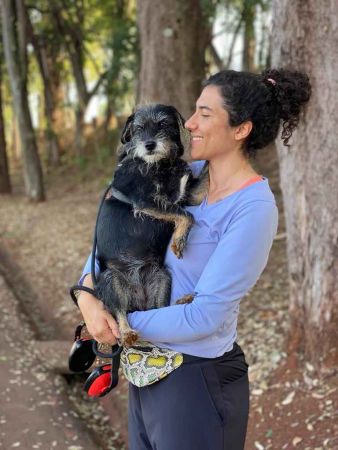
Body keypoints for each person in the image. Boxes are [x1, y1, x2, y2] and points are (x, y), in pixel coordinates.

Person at [77, 68, 311, 450]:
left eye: (205, 113)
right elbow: (112, 240)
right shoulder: (184, 175)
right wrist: (88, 301)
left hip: (194, 379)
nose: (188, 123)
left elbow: (205, 316)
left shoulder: (252, 207)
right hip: (145, 370)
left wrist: (122, 324)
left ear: (241, 130)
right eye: (193, 112)